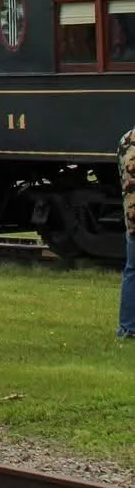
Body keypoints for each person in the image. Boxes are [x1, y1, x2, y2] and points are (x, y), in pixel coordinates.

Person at [118, 127, 135, 342]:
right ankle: (129, 326)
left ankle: (127, 326)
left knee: (132, 269)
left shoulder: (126, 139)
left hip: (131, 214)